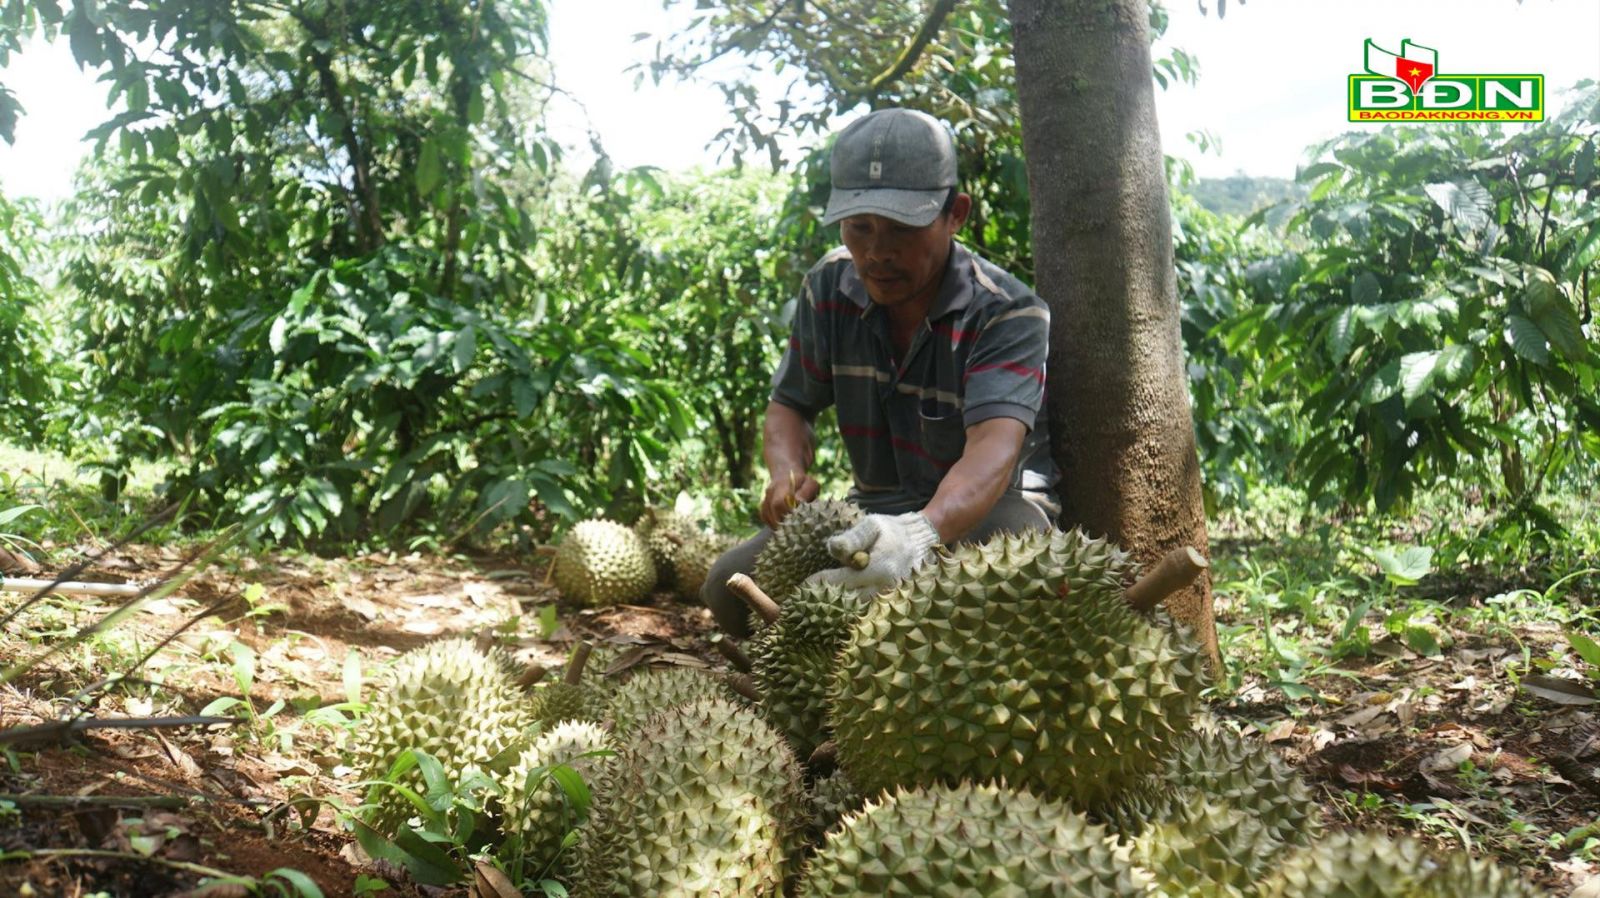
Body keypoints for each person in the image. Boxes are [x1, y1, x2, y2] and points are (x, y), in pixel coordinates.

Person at [702, 107, 1060, 637]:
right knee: (727, 590)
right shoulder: (828, 286)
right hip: (872, 509)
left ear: (955, 214)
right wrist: (785, 473)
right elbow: (790, 405)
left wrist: (919, 534)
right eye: (859, 227)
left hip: (993, 510)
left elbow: (993, 450)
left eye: (901, 229)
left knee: (973, 608)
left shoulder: (1007, 311)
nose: (876, 253)